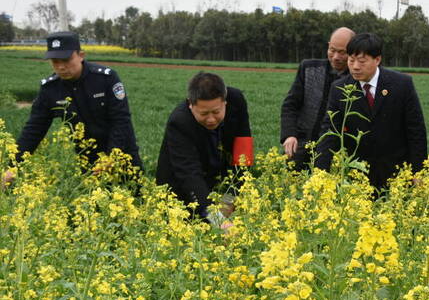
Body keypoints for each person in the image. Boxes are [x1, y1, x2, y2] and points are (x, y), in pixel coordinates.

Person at [3, 31, 142, 186]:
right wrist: (13, 166)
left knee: (137, 196)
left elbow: (121, 120)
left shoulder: (106, 79)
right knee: (96, 204)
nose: (61, 67)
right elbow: (34, 129)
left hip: (122, 151)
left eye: (66, 60)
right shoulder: (50, 89)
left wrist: (111, 156)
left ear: (81, 55)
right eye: (55, 62)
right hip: (88, 156)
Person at [315, 32, 427, 189]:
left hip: (397, 175)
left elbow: (416, 131)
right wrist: (320, 175)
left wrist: (419, 172)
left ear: (377, 60)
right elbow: (329, 133)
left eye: (362, 61)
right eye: (351, 60)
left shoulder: (402, 84)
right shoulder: (339, 89)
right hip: (357, 177)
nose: (355, 67)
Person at [156, 72, 252, 220]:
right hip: (181, 189)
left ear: (225, 102)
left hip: (216, 178)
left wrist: (229, 199)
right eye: (204, 113)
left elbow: (243, 153)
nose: (211, 119)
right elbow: (189, 174)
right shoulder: (179, 122)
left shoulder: (237, 101)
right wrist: (217, 220)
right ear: (190, 104)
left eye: (216, 112)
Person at [280, 27, 355, 169]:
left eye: (342, 52)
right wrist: (289, 135)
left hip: (337, 153)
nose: (336, 57)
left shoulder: (357, 79)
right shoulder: (308, 68)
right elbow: (290, 105)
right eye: (332, 50)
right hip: (302, 145)